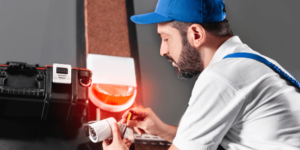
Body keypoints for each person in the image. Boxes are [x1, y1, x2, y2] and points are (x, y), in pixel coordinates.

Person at [103, 0, 300, 149]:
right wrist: (162, 130)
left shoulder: (221, 77)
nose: (162, 50)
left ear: (196, 34)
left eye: (165, 38)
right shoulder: (247, 63)